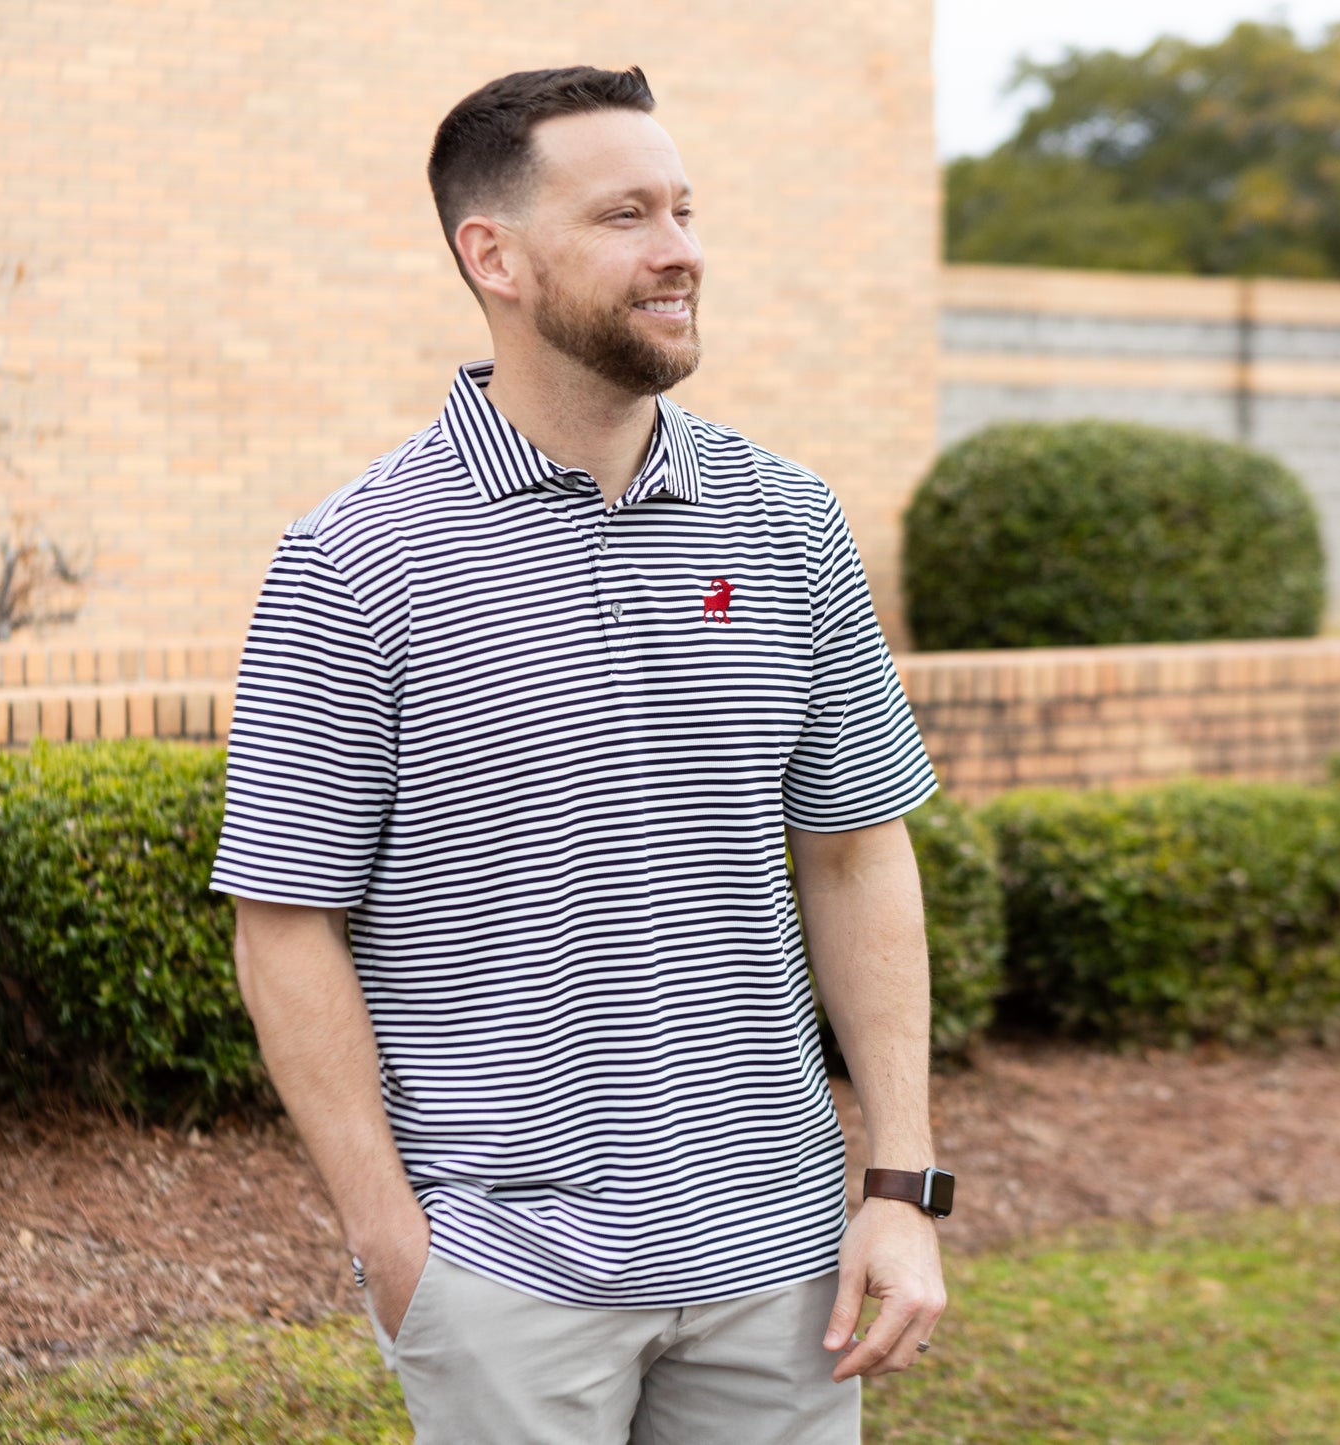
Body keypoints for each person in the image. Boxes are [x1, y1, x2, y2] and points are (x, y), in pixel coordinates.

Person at [211, 64, 949, 1444]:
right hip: (503, 1279)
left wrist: (899, 1188)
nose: (682, 250)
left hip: (782, 1267)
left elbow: (854, 852)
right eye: (625, 215)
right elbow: (284, 917)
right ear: (491, 255)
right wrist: (390, 1237)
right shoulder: (355, 562)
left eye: (682, 208)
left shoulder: (787, 521)